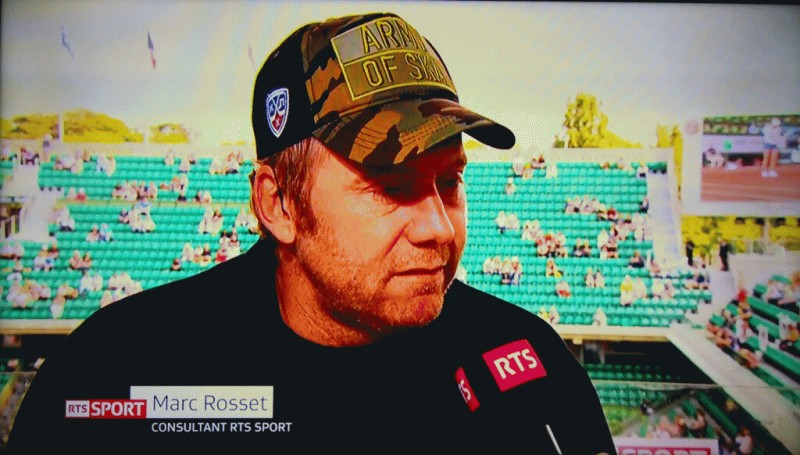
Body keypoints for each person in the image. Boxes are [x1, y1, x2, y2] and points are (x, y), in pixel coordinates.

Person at [6, 13, 614, 453]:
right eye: (389, 186)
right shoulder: (111, 374)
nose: (437, 227)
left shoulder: (533, 370)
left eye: (449, 182)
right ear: (278, 205)